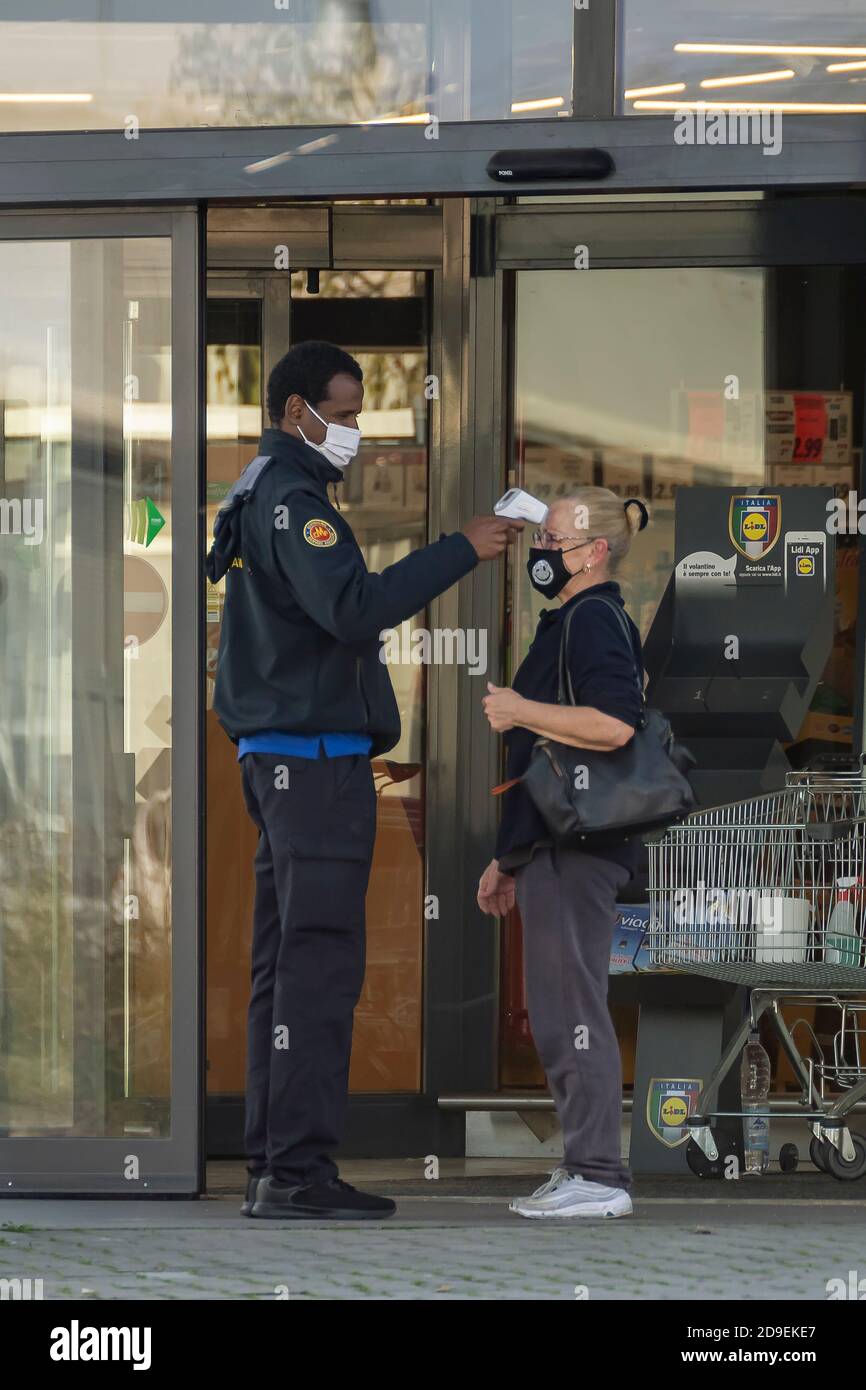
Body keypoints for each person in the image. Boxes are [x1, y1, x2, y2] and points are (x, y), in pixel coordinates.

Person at [206, 339, 521, 1221]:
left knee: (285, 970)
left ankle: (278, 1167)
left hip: (281, 765)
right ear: (295, 409)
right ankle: (297, 1175)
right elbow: (354, 606)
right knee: (319, 971)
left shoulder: (255, 492)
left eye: (356, 414)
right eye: (342, 414)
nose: (353, 430)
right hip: (313, 769)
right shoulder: (293, 499)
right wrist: (463, 546)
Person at [478, 487, 649, 1220]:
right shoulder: (575, 617)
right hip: (555, 845)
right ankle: (586, 1167)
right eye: (542, 539)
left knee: (571, 1006)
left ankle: (600, 1176)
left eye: (553, 541)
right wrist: (507, 858)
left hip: (580, 848)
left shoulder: (595, 619)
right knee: (556, 1008)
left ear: (594, 551)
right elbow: (542, 764)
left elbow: (615, 725)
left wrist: (518, 707)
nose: (541, 553)